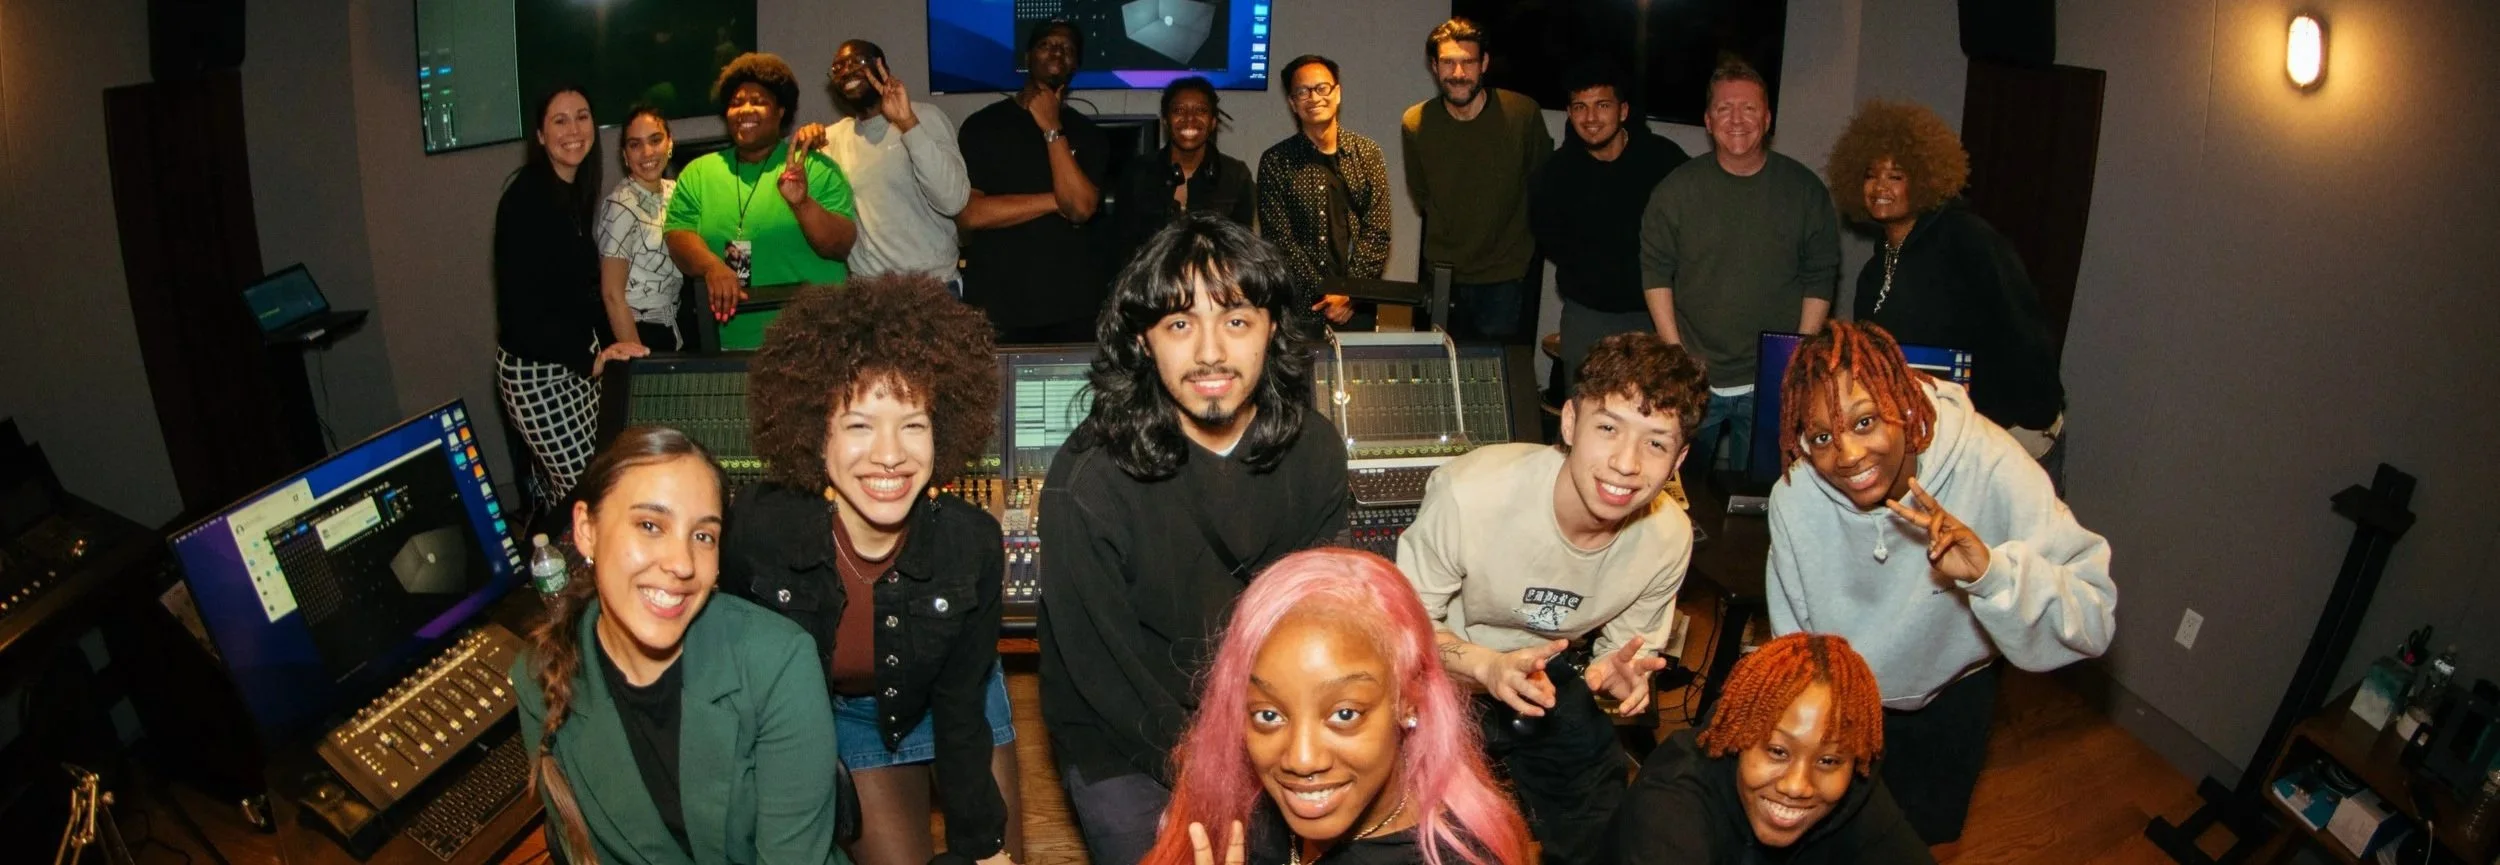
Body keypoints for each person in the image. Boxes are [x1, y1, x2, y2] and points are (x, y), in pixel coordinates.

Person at [1038, 214, 1350, 865]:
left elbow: (1326, 616)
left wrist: (1276, 747)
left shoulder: (1315, 450)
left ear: (1272, 328)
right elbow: (1104, 672)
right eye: (1180, 323)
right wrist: (1220, 770)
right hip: (1125, 735)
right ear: (1145, 340)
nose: (1210, 351)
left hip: (1258, 719)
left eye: (1236, 320)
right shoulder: (1088, 480)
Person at [1765, 321, 2115, 844]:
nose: (1848, 456)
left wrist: (1990, 576)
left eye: (1864, 422)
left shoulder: (1990, 464)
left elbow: (2094, 618)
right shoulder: (1796, 497)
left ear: (1904, 407)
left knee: (1911, 839)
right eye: (1822, 437)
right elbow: (1792, 636)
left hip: (1952, 697)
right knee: (1829, 834)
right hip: (1842, 699)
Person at [721, 273, 1022, 865]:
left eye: (913, 424)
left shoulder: (973, 546)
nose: (890, 454)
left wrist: (982, 846)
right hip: (843, 715)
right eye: (859, 425)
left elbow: (961, 713)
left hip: (958, 707)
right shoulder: (759, 533)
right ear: (816, 432)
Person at [1396, 332, 1702, 865]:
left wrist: (1615, 681)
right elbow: (1404, 633)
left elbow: (1617, 660)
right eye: (1608, 428)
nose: (1627, 463)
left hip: (1550, 675)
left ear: (1679, 459)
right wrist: (1487, 667)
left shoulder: (1667, 538)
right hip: (1443, 672)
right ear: (1568, 423)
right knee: (1433, 838)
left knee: (1603, 823)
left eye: (1656, 442)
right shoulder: (1471, 495)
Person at [511, 426, 845, 865]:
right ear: (586, 530)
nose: (683, 564)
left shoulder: (779, 663)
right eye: (650, 525)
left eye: (703, 536)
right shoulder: (538, 673)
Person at [1143, 548, 1532, 865]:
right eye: (1268, 715)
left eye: (1344, 715)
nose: (1301, 759)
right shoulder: (1241, 813)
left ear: (1409, 699)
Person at [1823, 99, 2067, 476]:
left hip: (2008, 440)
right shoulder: (1874, 272)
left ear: (1923, 180)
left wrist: (2026, 419)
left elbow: (2024, 331)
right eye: (1871, 174)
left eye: (1896, 175)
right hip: (1941, 446)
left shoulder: (1968, 240)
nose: (1880, 187)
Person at [1638, 59, 1840, 475]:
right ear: (1708, 121)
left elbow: (1820, 274)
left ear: (1767, 119)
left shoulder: (1804, 191)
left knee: (1766, 494)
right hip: (1696, 375)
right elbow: (1656, 272)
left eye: (1749, 109)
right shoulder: (1676, 190)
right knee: (1679, 495)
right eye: (1725, 108)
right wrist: (1678, 359)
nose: (1737, 119)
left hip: (1772, 380)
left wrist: (1794, 357)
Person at [1612, 633, 1933, 864]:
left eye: (1828, 760)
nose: (1797, 786)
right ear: (1738, 739)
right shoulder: (1670, 806)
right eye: (1778, 751)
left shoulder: (1857, 789)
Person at [495, 84, 642, 515]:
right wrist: (588, 358)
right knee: (587, 495)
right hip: (538, 374)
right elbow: (521, 315)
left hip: (574, 363)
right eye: (560, 120)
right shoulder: (525, 201)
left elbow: (579, 290)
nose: (574, 129)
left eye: (582, 116)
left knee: (600, 474)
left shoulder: (573, 191)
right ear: (540, 136)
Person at [664, 52, 859, 325]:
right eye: (736, 103)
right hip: (729, 345)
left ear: (780, 112)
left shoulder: (814, 167)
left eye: (758, 102)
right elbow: (677, 235)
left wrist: (802, 204)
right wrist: (712, 267)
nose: (745, 110)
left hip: (812, 343)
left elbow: (840, 245)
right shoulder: (698, 173)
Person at [1529, 59, 1689, 390]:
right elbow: (1548, 237)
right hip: (1587, 314)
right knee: (1586, 412)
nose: (1590, 118)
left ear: (1623, 110)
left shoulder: (1664, 161)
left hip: (1653, 314)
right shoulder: (1555, 174)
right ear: (1570, 114)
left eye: (1602, 105)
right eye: (1579, 107)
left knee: (1651, 412)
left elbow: (1692, 227)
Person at [1400, 18, 1552, 343]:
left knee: (1493, 383)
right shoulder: (1415, 122)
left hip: (1505, 279)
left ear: (1484, 63)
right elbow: (1422, 193)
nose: (1458, 73)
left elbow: (1542, 186)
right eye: (1448, 63)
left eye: (1468, 62)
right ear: (1434, 66)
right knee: (1439, 378)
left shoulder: (1522, 114)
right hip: (1441, 277)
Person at [957, 20, 1109, 343]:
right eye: (1046, 44)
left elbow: (1081, 209)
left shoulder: (1089, 135)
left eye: (1067, 48)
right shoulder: (983, 126)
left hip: (1071, 309)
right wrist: (1058, 200)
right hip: (997, 306)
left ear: (1076, 66)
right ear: (1027, 58)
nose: (1057, 51)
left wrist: (1051, 127)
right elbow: (971, 214)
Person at [792, 40, 971, 289]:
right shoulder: (831, 139)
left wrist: (907, 122)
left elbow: (953, 201)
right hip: (868, 295)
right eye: (838, 67)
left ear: (881, 66)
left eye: (857, 62)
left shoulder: (924, 117)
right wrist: (807, 143)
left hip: (933, 288)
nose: (846, 70)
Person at [1256, 55, 1391, 330]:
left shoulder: (1367, 153)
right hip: (1300, 308)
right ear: (1292, 103)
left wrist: (1350, 293)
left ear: (1337, 93)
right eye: (1302, 91)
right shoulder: (1275, 161)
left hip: (1358, 305)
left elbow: (1378, 230)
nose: (1314, 97)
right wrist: (1325, 293)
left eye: (1322, 88)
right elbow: (1279, 240)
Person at [1112, 77, 1255, 269]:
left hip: (1214, 289)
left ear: (1213, 122)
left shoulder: (1236, 175)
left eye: (1201, 111)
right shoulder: (1137, 173)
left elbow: (1242, 252)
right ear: (1165, 120)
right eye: (1178, 110)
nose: (1189, 119)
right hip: (1148, 288)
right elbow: (1122, 248)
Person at [596, 105, 684, 351]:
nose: (647, 152)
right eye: (635, 145)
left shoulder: (676, 192)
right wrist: (638, 359)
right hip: (637, 329)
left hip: (672, 325)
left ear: (670, 143)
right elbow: (612, 295)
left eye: (655, 140)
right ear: (625, 155)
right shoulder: (621, 205)